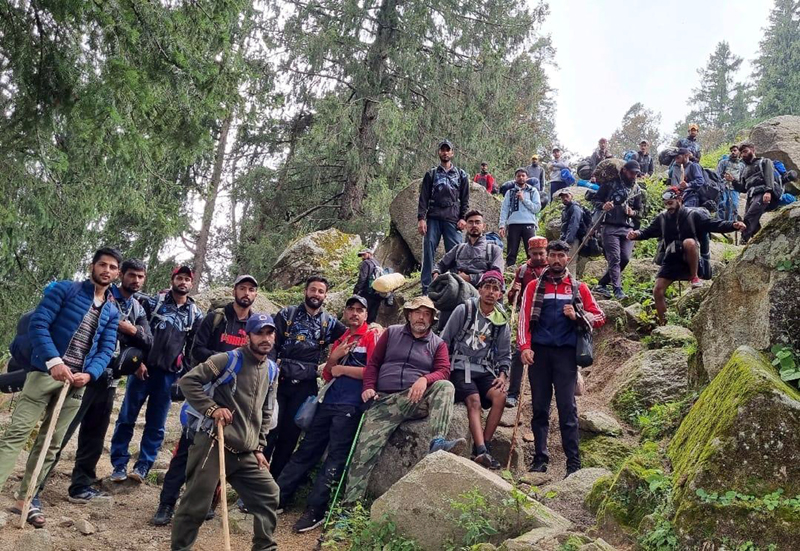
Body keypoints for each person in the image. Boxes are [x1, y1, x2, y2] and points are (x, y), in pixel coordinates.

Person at [0, 247, 121, 527]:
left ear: (116, 273)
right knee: (16, 434)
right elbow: (39, 324)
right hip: (45, 373)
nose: (106, 270)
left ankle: (26, 500)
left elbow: (105, 350)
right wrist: (54, 361)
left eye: (112, 267)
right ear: (92, 266)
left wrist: (89, 375)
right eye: (102, 264)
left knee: (52, 444)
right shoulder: (66, 290)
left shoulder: (112, 311)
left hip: (76, 385)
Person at [37, 258, 152, 505]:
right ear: (122, 275)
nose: (135, 280)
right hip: (83, 373)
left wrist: (131, 330)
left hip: (108, 378)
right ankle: (35, 485)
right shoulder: (102, 296)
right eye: (131, 275)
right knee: (61, 432)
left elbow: (148, 340)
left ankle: (81, 485)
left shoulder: (138, 308)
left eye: (140, 276)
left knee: (94, 435)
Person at [151, 274, 258, 526]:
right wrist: (225, 360)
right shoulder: (217, 319)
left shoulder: (256, 325)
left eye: (251, 290)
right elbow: (196, 350)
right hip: (206, 394)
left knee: (224, 449)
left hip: (235, 399)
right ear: (234, 290)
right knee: (185, 449)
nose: (246, 293)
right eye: (242, 288)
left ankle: (208, 500)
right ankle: (166, 503)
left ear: (255, 295)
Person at [171, 313, 280, 551]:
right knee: (195, 506)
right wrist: (212, 409)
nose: (265, 338)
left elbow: (266, 410)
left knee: (269, 493)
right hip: (214, 442)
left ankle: (264, 547)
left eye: (269, 333)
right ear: (248, 335)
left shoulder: (271, 369)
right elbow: (189, 381)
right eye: (259, 333)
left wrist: (260, 447)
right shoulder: (227, 359)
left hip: (246, 452)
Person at [342, 296, 466, 504]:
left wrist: (424, 380)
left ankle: (437, 442)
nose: (422, 317)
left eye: (427, 314)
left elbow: (444, 371)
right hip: (385, 401)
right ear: (409, 314)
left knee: (445, 386)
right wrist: (369, 387)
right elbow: (373, 364)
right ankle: (348, 506)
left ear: (432, 319)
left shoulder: (438, 344)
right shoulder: (391, 333)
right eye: (417, 312)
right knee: (363, 454)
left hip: (415, 398)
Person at [276, 295, 379, 533]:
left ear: (366, 315)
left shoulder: (372, 336)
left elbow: (373, 372)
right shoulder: (341, 338)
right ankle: (278, 498)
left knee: (334, 457)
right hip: (328, 402)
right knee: (306, 451)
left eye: (359, 310)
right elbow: (327, 376)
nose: (354, 313)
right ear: (345, 313)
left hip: (351, 406)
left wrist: (342, 368)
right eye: (350, 309)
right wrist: (333, 359)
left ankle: (315, 510)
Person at [518, 240, 605, 476]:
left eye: (561, 256)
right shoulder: (534, 287)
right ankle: (540, 458)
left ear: (568, 259)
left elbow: (599, 316)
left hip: (567, 355)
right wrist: (524, 347)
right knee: (539, 408)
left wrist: (577, 315)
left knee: (568, 408)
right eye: (552, 255)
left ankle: (573, 462)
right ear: (546, 257)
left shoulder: (578, 288)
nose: (556, 260)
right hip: (540, 354)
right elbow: (523, 319)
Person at [110, 265, 203, 484]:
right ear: (172, 280)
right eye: (179, 278)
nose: (183, 282)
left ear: (191, 283)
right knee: (126, 418)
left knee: (156, 424)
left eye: (187, 280)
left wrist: (185, 375)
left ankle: (143, 466)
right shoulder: (153, 303)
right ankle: (119, 464)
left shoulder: (195, 313)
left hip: (169, 375)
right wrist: (137, 362)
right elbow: (138, 333)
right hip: (143, 369)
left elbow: (192, 347)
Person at [265, 276, 347, 478]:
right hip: (279, 383)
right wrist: (269, 370)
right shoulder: (287, 314)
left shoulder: (329, 322)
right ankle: (254, 485)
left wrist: (373, 328)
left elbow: (351, 334)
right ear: (305, 291)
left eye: (320, 291)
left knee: (290, 436)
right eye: (313, 290)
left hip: (306, 386)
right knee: (269, 432)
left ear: (325, 295)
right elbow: (271, 344)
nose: (316, 294)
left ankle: (275, 484)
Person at [627, 188, 746, 324]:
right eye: (666, 204)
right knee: (658, 290)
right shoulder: (662, 218)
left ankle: (694, 277)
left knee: (689, 242)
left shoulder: (694, 215)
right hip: (671, 259)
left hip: (691, 258)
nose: (669, 207)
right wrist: (636, 234)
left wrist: (733, 225)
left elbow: (713, 224)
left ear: (679, 200)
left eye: (671, 203)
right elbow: (648, 232)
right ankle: (664, 324)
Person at [441, 271, 510, 470]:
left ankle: (485, 446)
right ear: (479, 289)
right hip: (460, 366)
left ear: (500, 294)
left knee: (500, 397)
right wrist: (444, 368)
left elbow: (505, 353)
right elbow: (445, 339)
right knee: (474, 401)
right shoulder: (464, 310)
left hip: (484, 368)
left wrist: (503, 375)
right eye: (487, 287)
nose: (490, 292)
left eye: (495, 288)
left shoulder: (501, 319)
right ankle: (480, 451)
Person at [418, 139, 470, 294]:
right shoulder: (431, 174)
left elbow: (465, 199)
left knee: (456, 252)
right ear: (439, 152)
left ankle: (456, 286)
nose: (445, 152)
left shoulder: (461, 175)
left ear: (452, 153)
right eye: (443, 150)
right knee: (428, 251)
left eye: (448, 150)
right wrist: (421, 218)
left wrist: (463, 218)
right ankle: (426, 288)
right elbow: (423, 197)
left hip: (452, 218)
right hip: (433, 217)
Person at [505, 237, 548, 408]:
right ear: (529, 252)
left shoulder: (552, 269)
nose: (538, 257)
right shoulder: (522, 271)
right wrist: (512, 292)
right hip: (527, 320)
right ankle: (513, 393)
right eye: (534, 254)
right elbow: (512, 300)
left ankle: (542, 395)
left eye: (541, 254)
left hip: (546, 319)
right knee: (518, 355)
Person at [592, 160, 644, 300]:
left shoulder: (637, 190)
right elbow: (595, 199)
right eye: (632, 172)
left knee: (625, 259)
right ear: (624, 170)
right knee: (614, 258)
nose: (634, 175)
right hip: (609, 226)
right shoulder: (609, 184)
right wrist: (603, 205)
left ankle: (602, 284)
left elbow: (641, 211)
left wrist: (632, 213)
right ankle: (617, 290)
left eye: (636, 173)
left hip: (628, 228)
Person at [432, 209, 504, 288]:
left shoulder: (494, 249)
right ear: (466, 226)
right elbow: (440, 265)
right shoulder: (459, 249)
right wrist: (436, 274)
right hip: (458, 290)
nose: (474, 225)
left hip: (483, 292)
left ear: (483, 226)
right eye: (470, 222)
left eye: (477, 222)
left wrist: (470, 278)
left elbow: (496, 274)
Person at [733, 142, 782, 243]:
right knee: (753, 220)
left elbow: (769, 177)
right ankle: (762, 241)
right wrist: (733, 181)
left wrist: (768, 191)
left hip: (763, 193)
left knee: (749, 217)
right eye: (741, 153)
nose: (743, 155)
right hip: (751, 196)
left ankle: (743, 240)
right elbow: (743, 188)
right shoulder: (745, 170)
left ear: (753, 150)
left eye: (745, 151)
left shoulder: (764, 162)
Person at [499, 168, 542, 267]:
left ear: (527, 178)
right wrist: (502, 225)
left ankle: (533, 270)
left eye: (523, 176)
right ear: (515, 178)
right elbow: (504, 209)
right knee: (511, 250)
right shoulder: (510, 192)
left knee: (531, 249)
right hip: (513, 224)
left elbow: (537, 208)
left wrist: (524, 200)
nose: (521, 178)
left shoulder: (533, 191)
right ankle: (509, 271)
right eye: (518, 176)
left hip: (529, 223)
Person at [557, 188, 586, 276]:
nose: (565, 198)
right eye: (563, 197)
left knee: (570, 261)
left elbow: (574, 224)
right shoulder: (566, 208)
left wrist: (568, 240)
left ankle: (570, 283)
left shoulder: (575, 208)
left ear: (571, 196)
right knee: (565, 260)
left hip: (573, 238)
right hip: (567, 237)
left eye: (567, 196)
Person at [353, 249, 384, 323]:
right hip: (377, 292)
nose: (362, 257)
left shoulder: (366, 263)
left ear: (370, 254)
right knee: (372, 315)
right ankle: (370, 330)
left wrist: (356, 291)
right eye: (361, 255)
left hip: (367, 292)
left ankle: (362, 331)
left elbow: (362, 278)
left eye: (364, 254)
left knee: (363, 313)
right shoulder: (377, 263)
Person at [717, 145, 744, 222]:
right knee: (722, 204)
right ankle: (719, 224)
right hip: (723, 186)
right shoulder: (724, 162)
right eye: (731, 151)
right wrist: (722, 181)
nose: (733, 152)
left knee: (733, 206)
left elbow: (742, 177)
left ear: (739, 152)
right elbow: (717, 174)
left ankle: (730, 224)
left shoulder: (742, 165)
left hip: (734, 188)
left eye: (735, 150)